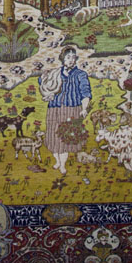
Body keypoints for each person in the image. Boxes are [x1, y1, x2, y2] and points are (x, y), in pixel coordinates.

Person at [39, 46, 92, 174]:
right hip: (54, 108)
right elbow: (42, 81)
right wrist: (47, 87)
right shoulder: (55, 73)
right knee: (53, 137)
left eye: (73, 57)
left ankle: (63, 165)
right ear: (63, 58)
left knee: (65, 140)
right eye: (68, 57)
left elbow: (85, 93)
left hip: (71, 110)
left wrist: (84, 108)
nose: (71, 60)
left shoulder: (81, 75)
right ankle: (57, 161)